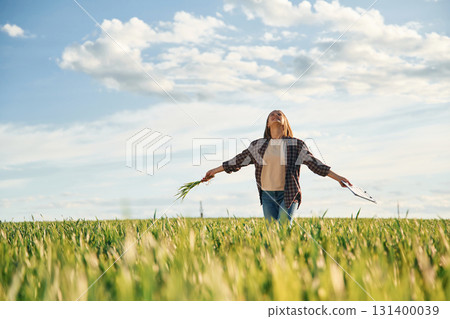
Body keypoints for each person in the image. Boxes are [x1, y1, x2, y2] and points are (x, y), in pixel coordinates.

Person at [202, 110, 352, 225]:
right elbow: (237, 161)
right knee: (271, 233)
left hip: (288, 194)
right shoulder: (258, 145)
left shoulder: (296, 145)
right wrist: (214, 171)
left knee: (283, 229)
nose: (275, 115)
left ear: (285, 122)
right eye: (272, 115)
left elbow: (316, 165)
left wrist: (339, 178)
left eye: (279, 114)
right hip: (267, 196)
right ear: (268, 124)